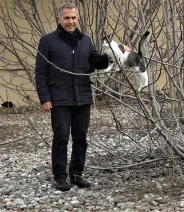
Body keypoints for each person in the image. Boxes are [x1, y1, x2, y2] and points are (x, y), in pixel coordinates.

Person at [35, 2, 126, 191]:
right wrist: (45, 98)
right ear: (59, 18)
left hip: (82, 96)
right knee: (60, 137)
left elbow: (96, 62)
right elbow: (41, 72)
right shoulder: (48, 41)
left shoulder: (85, 40)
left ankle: (76, 174)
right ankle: (60, 176)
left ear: (78, 19)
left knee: (81, 138)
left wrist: (114, 54)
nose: (70, 21)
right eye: (67, 18)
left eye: (73, 18)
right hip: (59, 98)